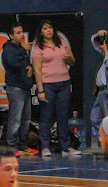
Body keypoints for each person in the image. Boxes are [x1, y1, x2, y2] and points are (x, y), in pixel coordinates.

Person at [31, 19, 79, 157]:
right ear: (41, 31)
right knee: (46, 116)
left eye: (50, 28)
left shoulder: (61, 42)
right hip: (47, 84)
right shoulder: (38, 48)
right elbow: (37, 70)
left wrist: (68, 59)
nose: (48, 31)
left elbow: (73, 61)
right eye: (45, 28)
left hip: (64, 83)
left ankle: (66, 147)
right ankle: (45, 147)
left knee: (63, 116)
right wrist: (40, 90)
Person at [1, 22, 39, 157]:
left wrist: (28, 66)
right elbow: (15, 63)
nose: (22, 35)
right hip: (15, 88)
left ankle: (23, 145)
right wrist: (26, 66)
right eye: (18, 33)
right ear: (11, 36)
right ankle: (12, 146)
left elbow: (24, 64)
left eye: (22, 32)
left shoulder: (20, 49)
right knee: (15, 118)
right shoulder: (8, 49)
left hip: (25, 87)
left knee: (26, 119)